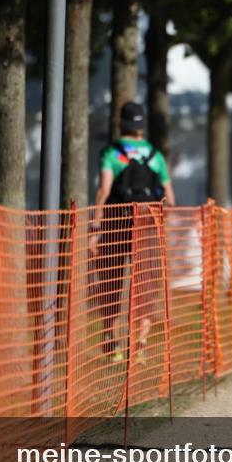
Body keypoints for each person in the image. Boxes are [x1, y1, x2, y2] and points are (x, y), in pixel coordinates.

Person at [89, 102, 175, 360]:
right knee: (146, 285)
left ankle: (111, 340)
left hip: (116, 225)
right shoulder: (155, 155)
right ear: (141, 125)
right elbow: (170, 198)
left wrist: (95, 226)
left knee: (111, 282)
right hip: (147, 228)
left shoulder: (111, 153)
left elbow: (104, 190)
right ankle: (140, 345)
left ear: (121, 123)